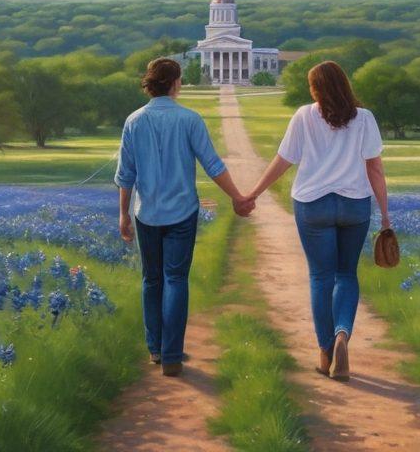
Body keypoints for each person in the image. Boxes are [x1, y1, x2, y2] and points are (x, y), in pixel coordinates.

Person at [243, 60, 390, 382]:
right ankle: (342, 335)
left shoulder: (304, 115)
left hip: (312, 204)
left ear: (315, 89)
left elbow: (283, 160)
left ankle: (325, 353)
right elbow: (375, 169)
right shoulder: (364, 118)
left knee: (321, 278)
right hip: (355, 205)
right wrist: (385, 216)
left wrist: (253, 194)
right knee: (346, 275)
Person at [115, 57, 254, 377]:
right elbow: (213, 165)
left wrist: (123, 214)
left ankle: (155, 349)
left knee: (151, 280)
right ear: (176, 83)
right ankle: (173, 354)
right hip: (182, 212)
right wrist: (238, 198)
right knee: (175, 279)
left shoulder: (133, 120)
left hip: (146, 212)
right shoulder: (189, 119)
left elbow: (126, 175)